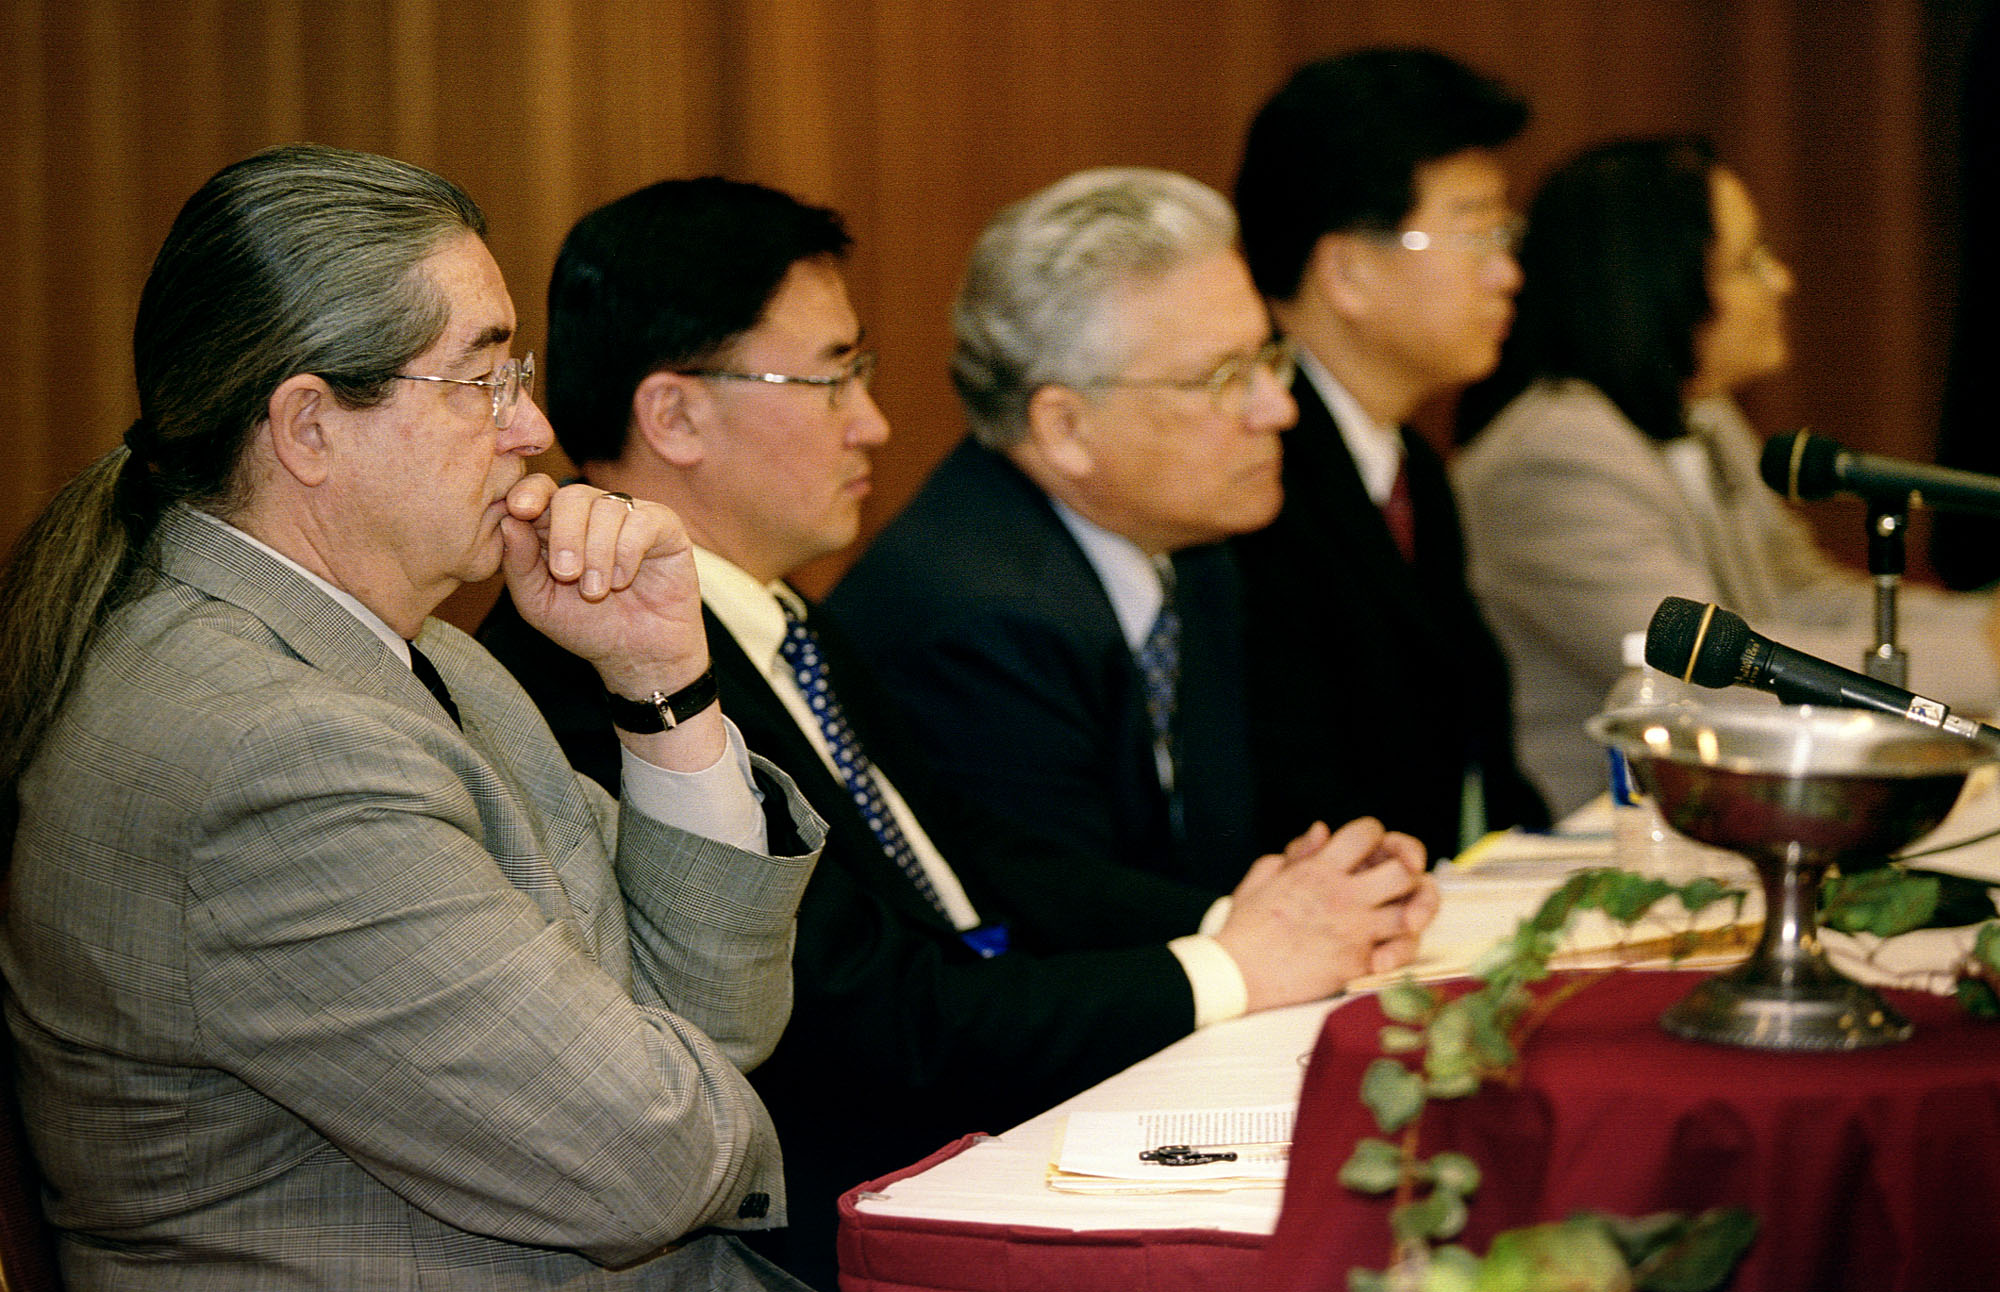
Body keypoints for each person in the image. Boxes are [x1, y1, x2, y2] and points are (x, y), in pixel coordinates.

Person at [477, 174, 1439, 1288]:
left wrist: (1253, 917)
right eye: (832, 377)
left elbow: (971, 859)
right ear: (675, 413)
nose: (873, 421)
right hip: (825, 1217)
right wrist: (1227, 964)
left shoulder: (776, 615)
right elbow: (867, 1017)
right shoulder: (601, 666)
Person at [0, 145, 829, 1291]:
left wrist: (661, 685)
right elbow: (650, 1166)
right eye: (481, 380)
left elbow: (717, 1016)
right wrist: (697, 1094)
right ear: (309, 428)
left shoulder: (431, 655)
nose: (531, 428)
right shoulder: (266, 754)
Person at [1454, 135, 2000, 815]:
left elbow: (1801, 596)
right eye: (1751, 261)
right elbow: (1720, 675)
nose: (1782, 282)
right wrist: (1987, 661)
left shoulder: (1701, 412)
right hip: (1611, 837)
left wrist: (1980, 626)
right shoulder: (1555, 456)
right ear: (1658, 281)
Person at [828, 167, 1287, 892]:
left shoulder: (1190, 551)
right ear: (1064, 427)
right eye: (1224, 379)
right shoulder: (975, 624)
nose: (1275, 411)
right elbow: (1066, 926)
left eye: (1267, 361)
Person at [1229, 48, 1550, 865]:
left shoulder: (1412, 467)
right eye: (1475, 232)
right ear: (1346, 271)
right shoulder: (1246, 476)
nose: (1508, 273)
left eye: (1506, 233)